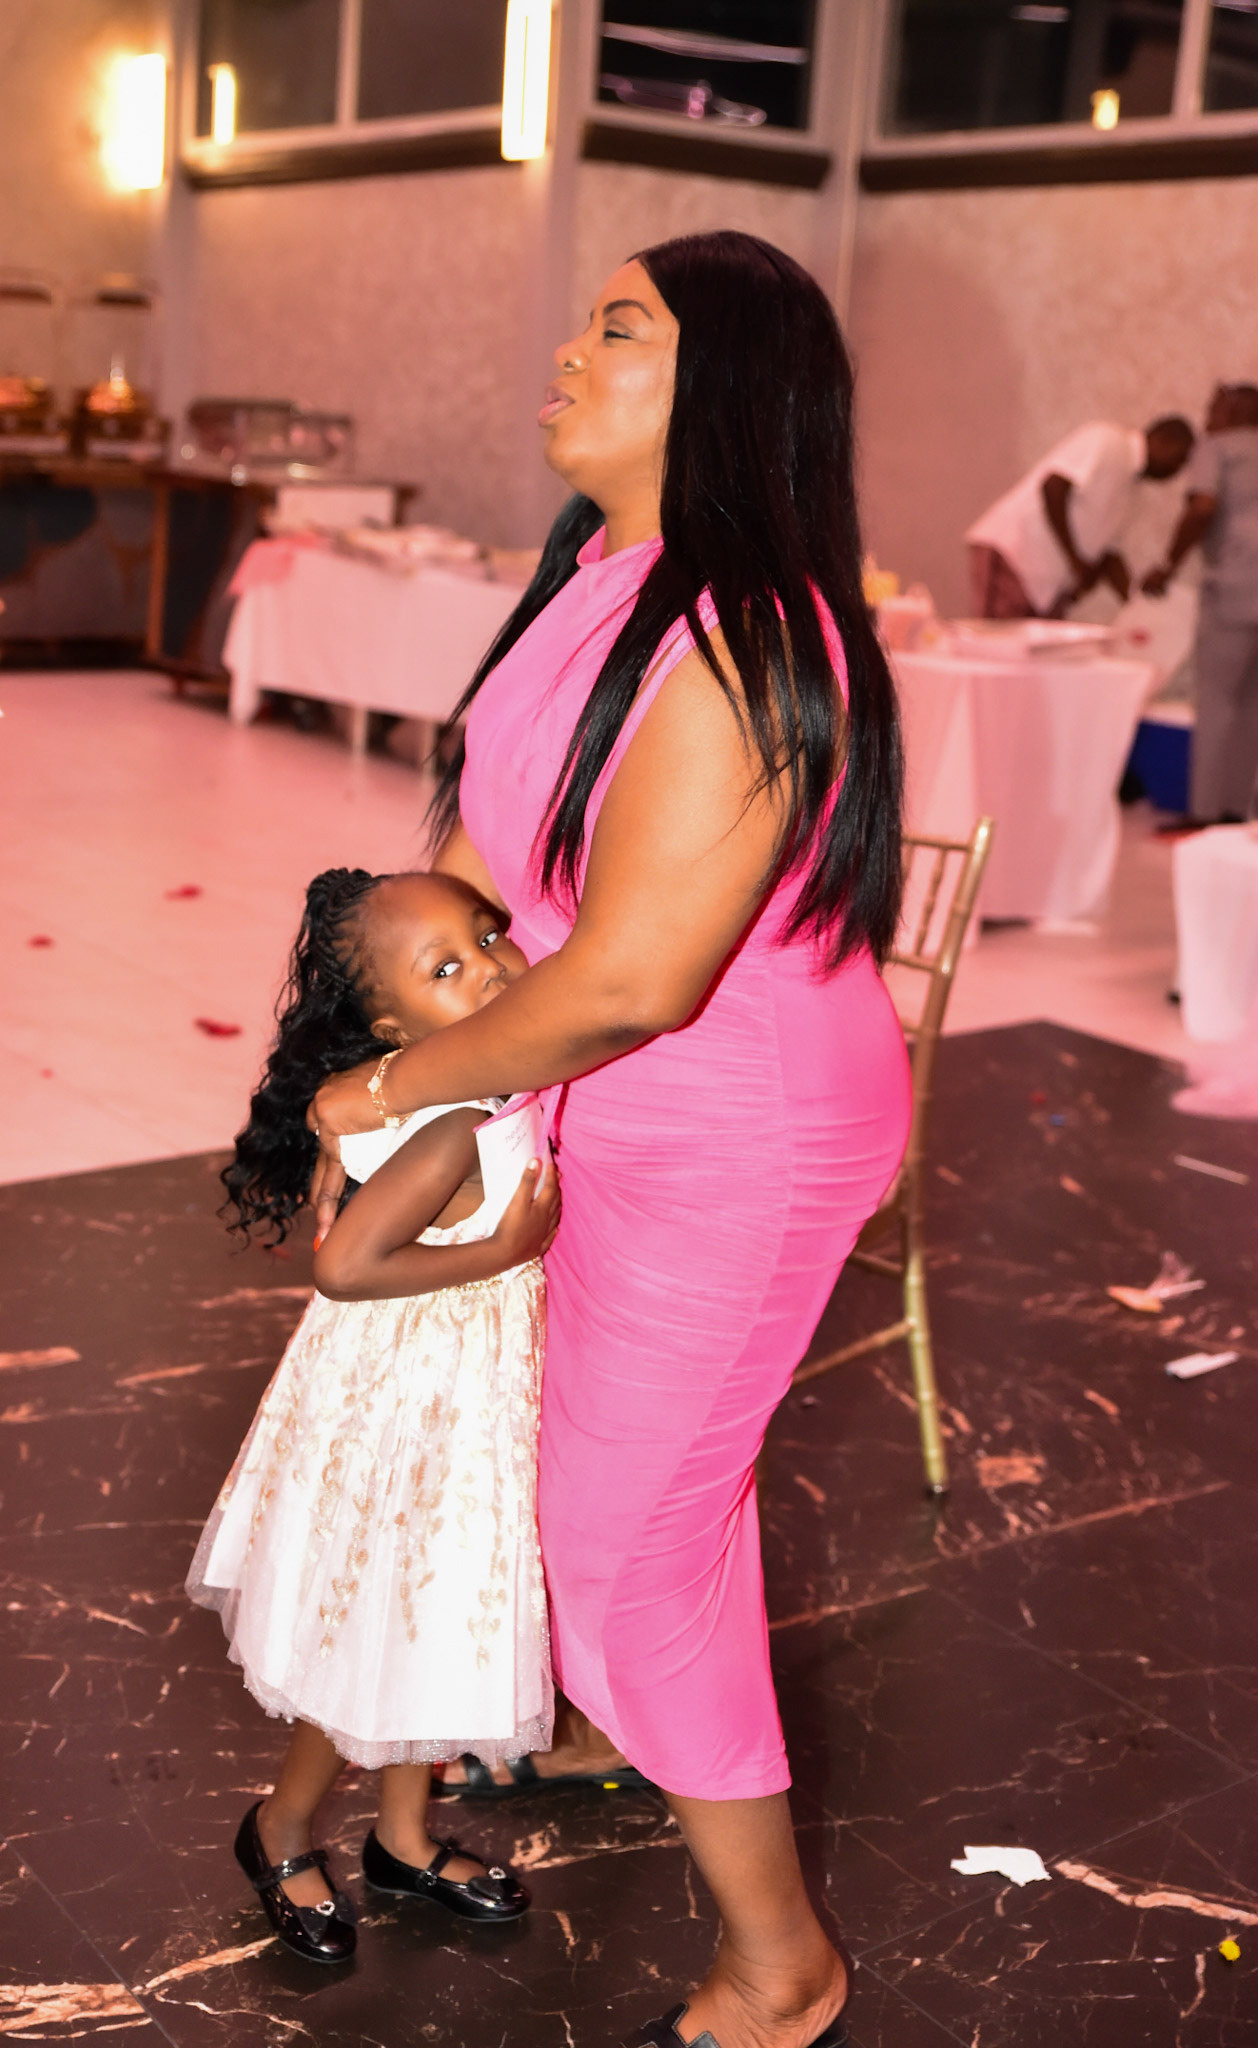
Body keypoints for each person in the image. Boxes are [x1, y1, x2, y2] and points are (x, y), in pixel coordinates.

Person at [308, 231, 911, 2048]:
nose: (569, 352)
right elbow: (488, 847)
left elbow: (636, 978)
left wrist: (400, 1092)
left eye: (619, 328)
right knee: (610, 1486)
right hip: (596, 1096)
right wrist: (379, 1048)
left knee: (629, 1539)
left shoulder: (747, 634)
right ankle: (612, 1715)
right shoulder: (602, 574)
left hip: (735, 1133)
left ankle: (780, 1967)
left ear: (724, 384)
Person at [187, 868, 559, 1964]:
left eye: (486, 936)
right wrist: (505, 1249)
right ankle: (280, 1824)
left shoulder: (492, 1077)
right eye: (445, 969)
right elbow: (345, 1266)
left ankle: (402, 1838)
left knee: (436, 1625)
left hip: (466, 1392)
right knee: (373, 1638)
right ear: (395, 1030)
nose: (488, 967)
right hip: (414, 1405)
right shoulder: (451, 1123)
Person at [1143, 385, 1258, 824]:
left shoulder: (1216, 448)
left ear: (1236, 410)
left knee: (1216, 701)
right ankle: (1237, 811)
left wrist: (1168, 565)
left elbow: (1203, 507)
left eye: (1214, 407)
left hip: (1233, 591)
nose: (1207, 417)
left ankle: (1204, 811)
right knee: (1252, 705)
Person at [966, 414, 1194, 619]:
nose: (1177, 470)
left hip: (1048, 586)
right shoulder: (1108, 440)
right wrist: (1075, 560)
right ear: (1163, 441)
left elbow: (1108, 555)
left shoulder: (1133, 491)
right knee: (998, 648)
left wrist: (1137, 606)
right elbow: (1054, 487)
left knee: (1041, 652)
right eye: (1180, 459)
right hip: (1017, 555)